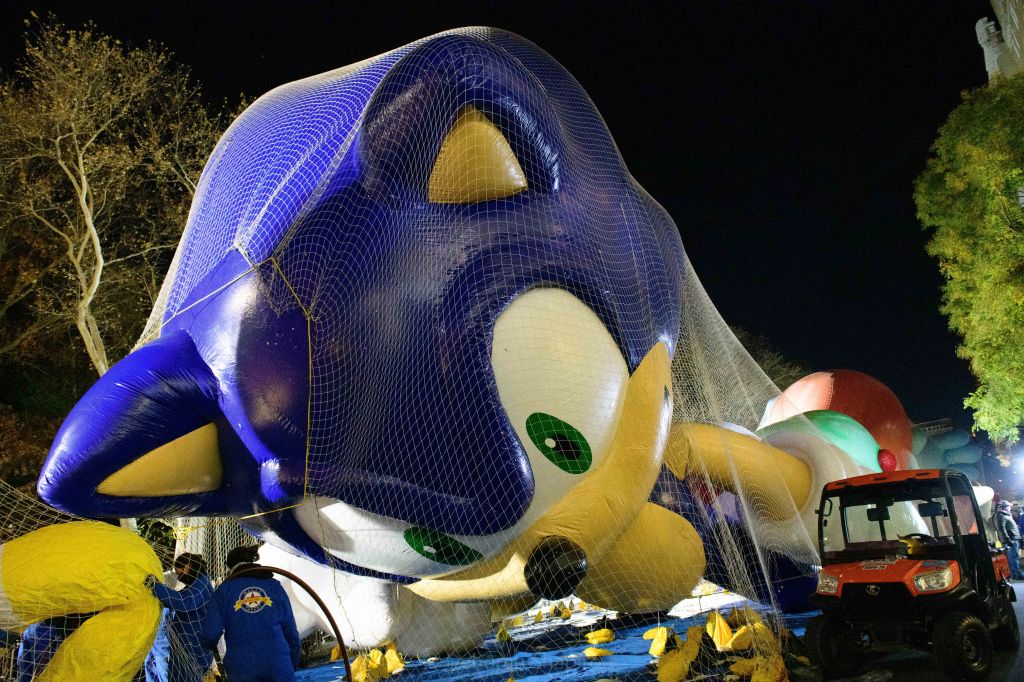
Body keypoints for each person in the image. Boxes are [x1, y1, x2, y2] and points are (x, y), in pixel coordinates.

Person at [200, 545, 301, 682]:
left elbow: (210, 633)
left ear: (230, 567)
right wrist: (290, 663)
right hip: (278, 662)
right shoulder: (274, 586)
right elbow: (291, 632)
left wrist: (207, 644)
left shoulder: (223, 591)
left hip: (243, 667)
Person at [144, 553, 214, 682]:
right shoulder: (198, 584)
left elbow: (185, 602)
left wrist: (156, 587)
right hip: (188, 646)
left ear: (187, 568)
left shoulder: (202, 584)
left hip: (194, 648)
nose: (179, 578)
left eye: (178, 573)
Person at [994, 500, 1024, 580]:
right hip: (1012, 539)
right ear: (1005, 507)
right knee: (1013, 557)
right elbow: (1002, 529)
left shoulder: (1005, 515)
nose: (1010, 508)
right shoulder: (1001, 516)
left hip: (1014, 538)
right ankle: (1017, 574)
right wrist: (1008, 540)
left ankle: (1015, 574)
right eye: (1009, 507)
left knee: (1013, 557)